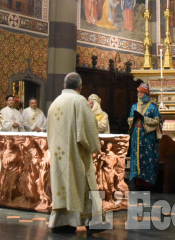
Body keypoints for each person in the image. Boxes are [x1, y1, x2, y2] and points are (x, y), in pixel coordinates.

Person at [47, 72, 109, 233]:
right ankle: (93, 221)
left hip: (57, 155)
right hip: (76, 155)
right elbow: (87, 130)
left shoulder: (54, 103)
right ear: (80, 87)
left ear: (64, 85)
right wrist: (95, 146)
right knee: (83, 186)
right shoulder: (79, 101)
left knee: (62, 188)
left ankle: (62, 222)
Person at [127, 83, 162, 190]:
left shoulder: (153, 107)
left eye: (142, 92)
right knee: (136, 157)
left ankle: (148, 182)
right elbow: (129, 119)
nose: (139, 94)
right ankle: (137, 181)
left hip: (147, 136)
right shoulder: (134, 106)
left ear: (146, 93)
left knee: (148, 157)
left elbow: (157, 122)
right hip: (136, 135)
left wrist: (144, 119)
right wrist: (133, 119)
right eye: (138, 92)